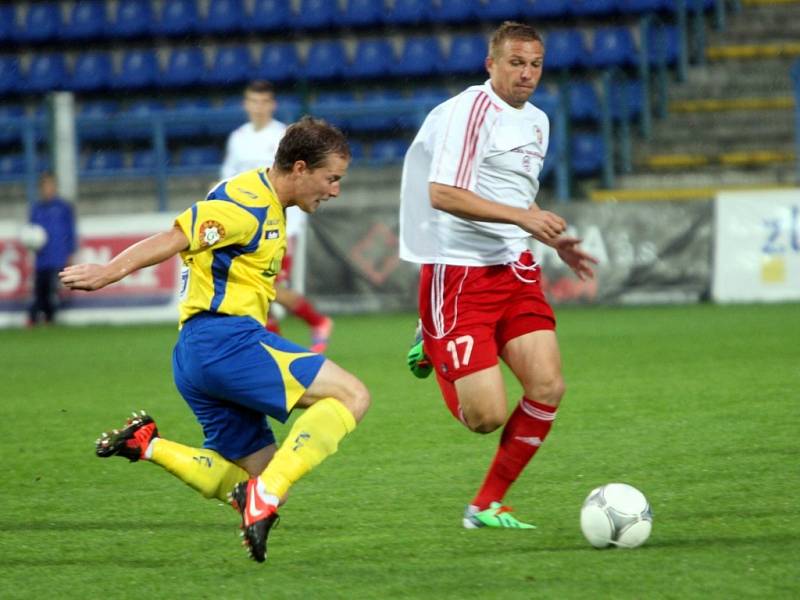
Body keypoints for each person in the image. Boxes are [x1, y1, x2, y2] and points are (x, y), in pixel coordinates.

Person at [60, 117, 370, 563]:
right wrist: (109, 272)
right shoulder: (246, 205)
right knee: (352, 395)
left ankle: (147, 443)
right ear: (300, 168)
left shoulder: (266, 201)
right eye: (332, 178)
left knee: (261, 477)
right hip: (226, 341)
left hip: (195, 355)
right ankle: (261, 497)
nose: (335, 190)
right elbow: (176, 236)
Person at [399, 22, 598, 529]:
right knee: (484, 418)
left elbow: (512, 190)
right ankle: (434, 341)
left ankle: (485, 504)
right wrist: (524, 219)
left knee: (549, 386)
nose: (527, 74)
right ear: (491, 64)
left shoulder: (538, 121)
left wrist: (550, 237)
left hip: (514, 269)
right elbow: (442, 192)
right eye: (516, 62)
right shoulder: (471, 112)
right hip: (460, 273)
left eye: (535, 64)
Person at [221, 79, 333, 352]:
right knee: (260, 293)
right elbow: (228, 179)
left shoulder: (284, 136)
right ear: (245, 104)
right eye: (253, 101)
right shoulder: (238, 139)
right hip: (248, 226)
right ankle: (277, 350)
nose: (258, 107)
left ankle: (318, 321)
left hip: (283, 224)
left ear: (273, 105)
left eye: (264, 102)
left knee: (268, 287)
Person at [27, 172, 77, 326]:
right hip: (42, 257)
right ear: (40, 188)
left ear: (54, 187)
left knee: (52, 290)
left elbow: (70, 231)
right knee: (39, 289)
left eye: (50, 185)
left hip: (58, 256)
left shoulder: (63, 208)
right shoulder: (36, 209)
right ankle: (35, 319)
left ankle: (47, 319)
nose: (47, 189)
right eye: (44, 186)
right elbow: (31, 232)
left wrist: (70, 253)